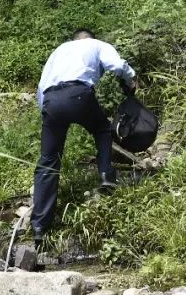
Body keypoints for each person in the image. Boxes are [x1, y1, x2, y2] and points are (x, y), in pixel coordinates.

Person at [32, 30, 137, 249]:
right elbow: (116, 66)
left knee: (48, 161)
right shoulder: (97, 44)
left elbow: (41, 87)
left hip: (51, 100)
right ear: (89, 38)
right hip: (78, 93)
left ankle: (40, 227)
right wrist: (131, 78)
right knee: (102, 130)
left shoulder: (59, 50)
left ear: (74, 39)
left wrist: (48, 112)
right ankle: (107, 176)